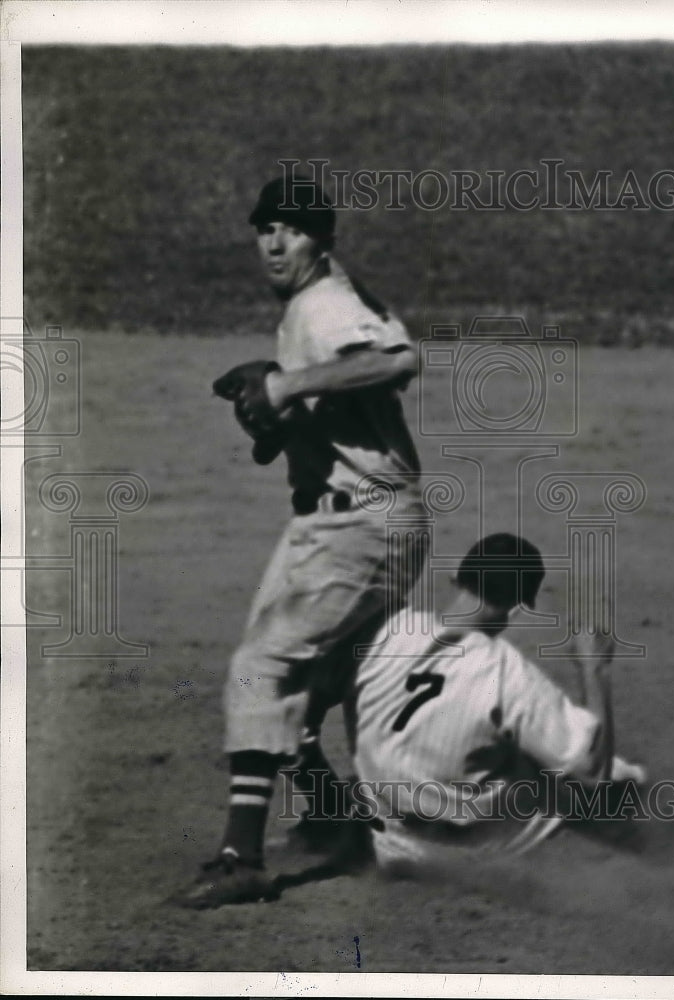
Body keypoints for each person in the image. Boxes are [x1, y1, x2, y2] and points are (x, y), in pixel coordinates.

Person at [177, 174, 429, 909]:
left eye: (290, 228)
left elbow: (397, 359)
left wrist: (287, 390)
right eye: (264, 228)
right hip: (339, 521)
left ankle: (241, 858)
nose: (274, 242)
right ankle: (336, 824)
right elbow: (352, 393)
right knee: (307, 686)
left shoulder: (324, 304)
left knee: (263, 666)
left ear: (320, 239)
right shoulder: (321, 298)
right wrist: (293, 422)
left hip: (364, 523)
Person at [340, 532, 645, 872]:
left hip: (387, 836)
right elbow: (591, 772)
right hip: (468, 851)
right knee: (612, 781)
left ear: (458, 579)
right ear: (516, 609)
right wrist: (595, 669)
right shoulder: (507, 674)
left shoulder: (386, 630)